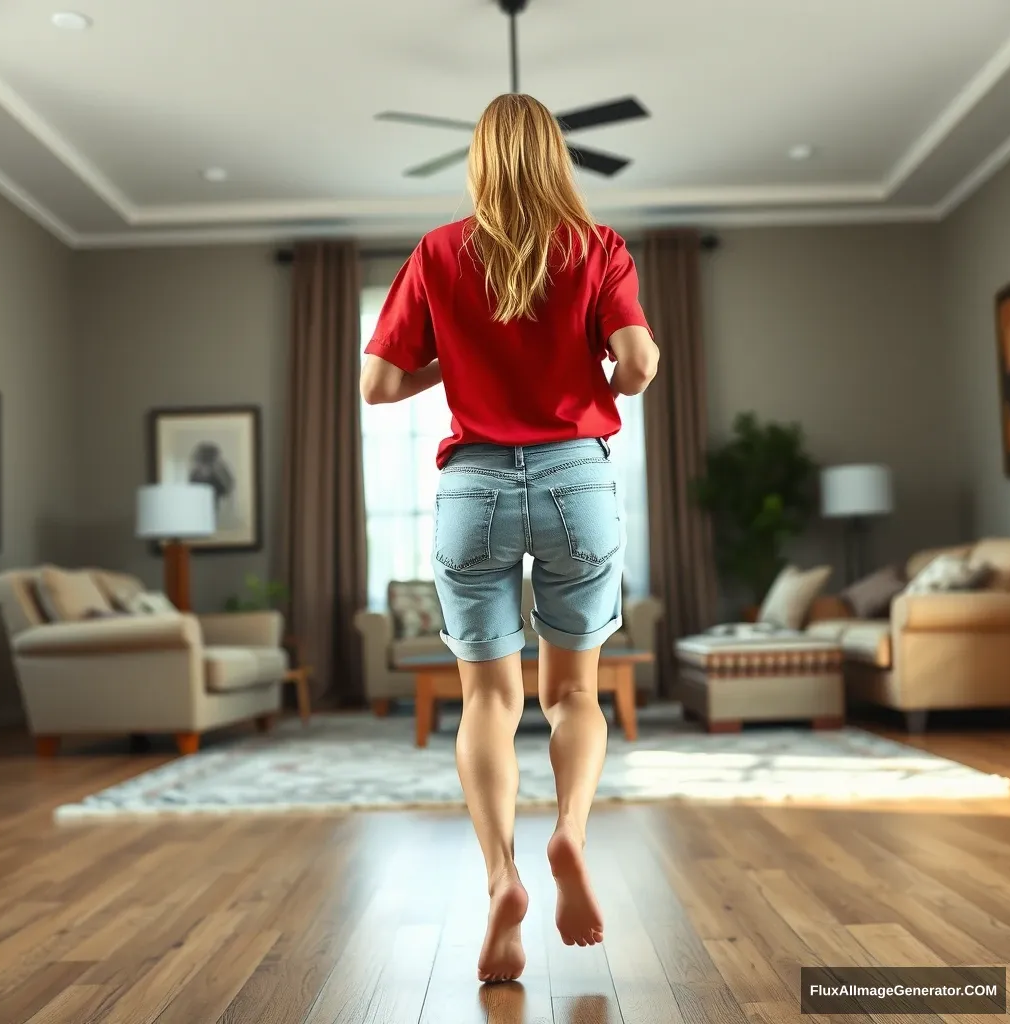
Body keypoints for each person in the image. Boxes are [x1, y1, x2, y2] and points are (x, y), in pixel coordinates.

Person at [359, 93, 658, 984]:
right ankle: (569, 831)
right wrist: (587, 364)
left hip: (473, 487)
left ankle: (501, 878)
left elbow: (377, 384)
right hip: (577, 479)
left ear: (480, 160)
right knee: (572, 694)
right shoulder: (598, 247)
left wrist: (465, 353)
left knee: (488, 700)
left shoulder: (439, 251)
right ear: (557, 158)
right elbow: (638, 365)